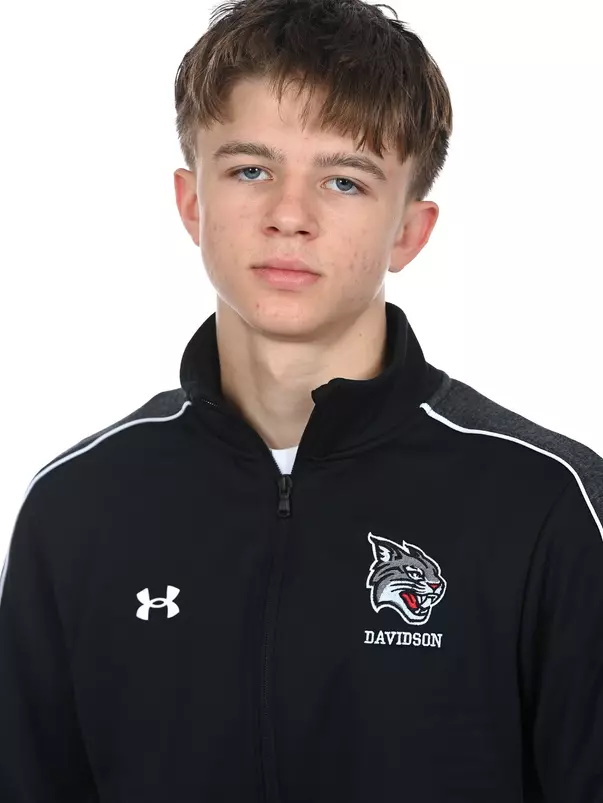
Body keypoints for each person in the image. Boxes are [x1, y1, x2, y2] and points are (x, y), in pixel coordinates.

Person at [1, 0, 602, 800]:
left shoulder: (547, 502)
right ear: (191, 202)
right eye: (250, 170)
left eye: (344, 180)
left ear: (408, 232)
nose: (289, 216)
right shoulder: (77, 505)